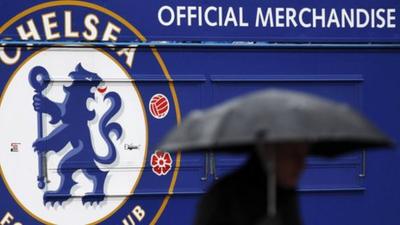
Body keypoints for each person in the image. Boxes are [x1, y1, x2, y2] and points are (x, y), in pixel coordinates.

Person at [194, 143, 309, 225]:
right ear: (271, 153)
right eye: (294, 156)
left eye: (304, 156)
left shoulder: (284, 194)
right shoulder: (223, 199)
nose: (302, 166)